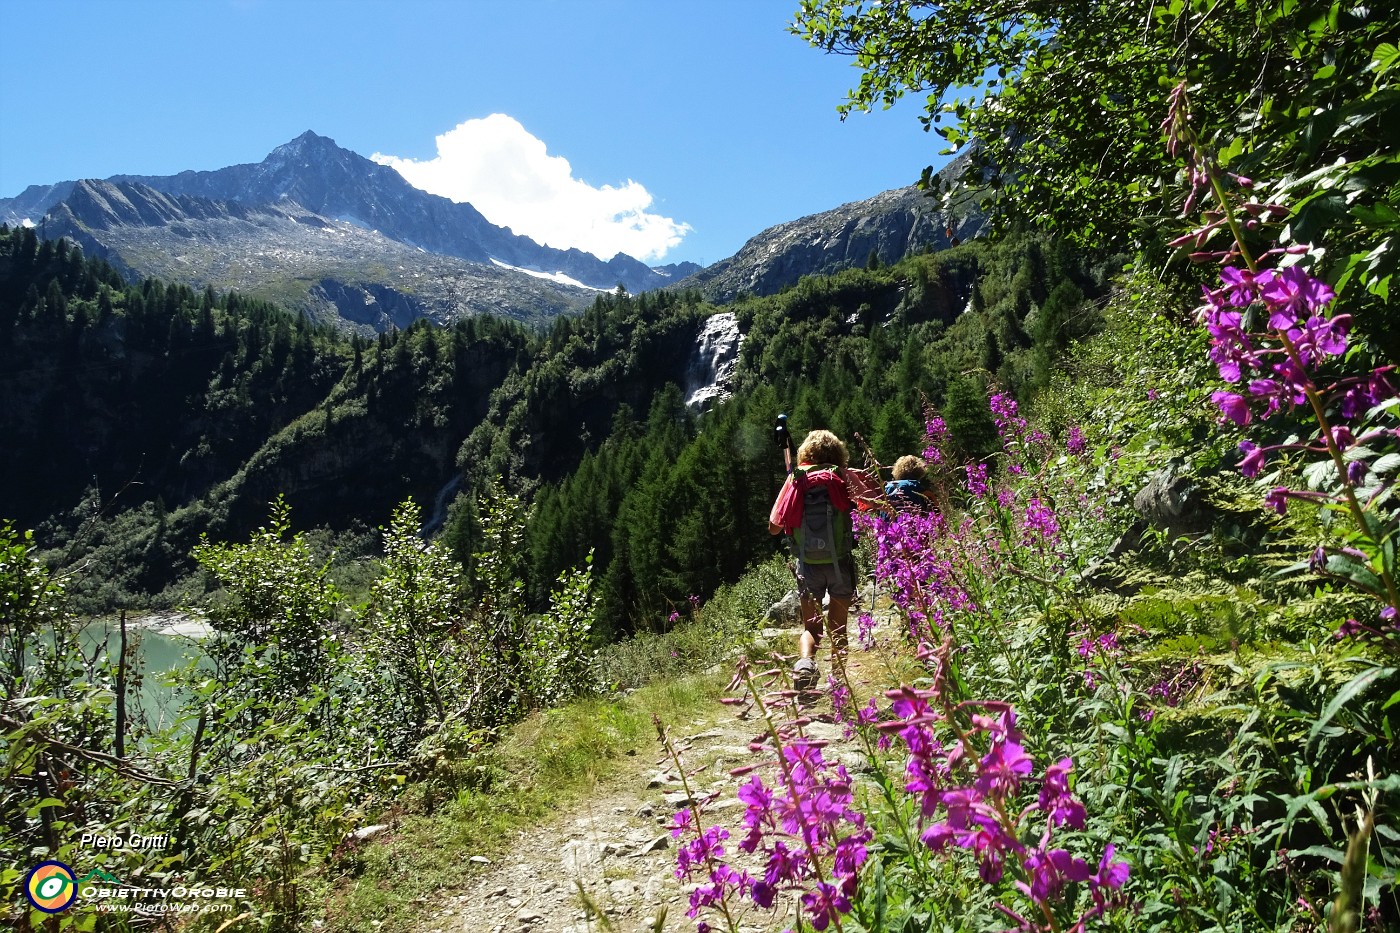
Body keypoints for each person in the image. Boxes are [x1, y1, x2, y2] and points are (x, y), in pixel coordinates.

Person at [768, 429, 857, 690]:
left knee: (812, 628)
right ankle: (839, 688)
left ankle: (806, 665)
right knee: (838, 629)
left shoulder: (795, 480)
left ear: (805, 453)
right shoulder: (841, 476)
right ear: (838, 452)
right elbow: (870, 504)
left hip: (807, 566)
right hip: (840, 563)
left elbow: (774, 527)